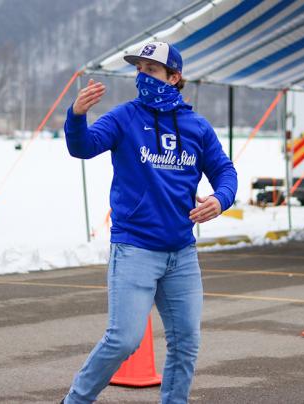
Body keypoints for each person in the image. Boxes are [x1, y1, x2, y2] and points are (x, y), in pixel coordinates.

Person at [61, 42, 237, 404]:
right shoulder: (124, 117)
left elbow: (225, 171)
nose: (143, 76)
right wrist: (76, 116)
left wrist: (219, 200)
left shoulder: (197, 127)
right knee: (123, 339)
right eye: (139, 69)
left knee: (186, 342)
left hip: (182, 255)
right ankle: (74, 401)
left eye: (152, 70)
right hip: (134, 248)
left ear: (174, 78)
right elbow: (84, 147)